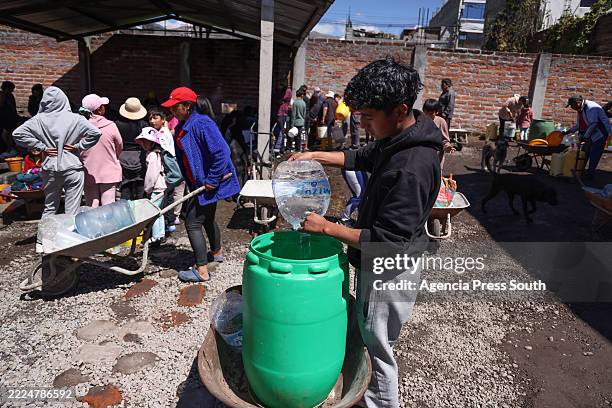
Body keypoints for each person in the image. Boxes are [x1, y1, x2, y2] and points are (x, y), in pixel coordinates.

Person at [289, 58, 441, 407]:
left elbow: (389, 242)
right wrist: (317, 156)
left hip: (391, 267)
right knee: (371, 331)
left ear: (400, 109)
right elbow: (365, 155)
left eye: (369, 118)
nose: (365, 125)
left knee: (378, 346)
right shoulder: (402, 135)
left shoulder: (412, 167)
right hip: (386, 259)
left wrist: (327, 227)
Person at [161, 87, 240, 283]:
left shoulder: (202, 124)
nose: (171, 110)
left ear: (187, 106)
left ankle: (202, 270)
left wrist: (213, 179)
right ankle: (217, 252)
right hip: (198, 182)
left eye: (175, 106)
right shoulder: (183, 125)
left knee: (192, 222)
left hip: (209, 182)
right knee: (207, 217)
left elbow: (221, 152)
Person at [12, 86, 101, 216]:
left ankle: (46, 235)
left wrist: (41, 146)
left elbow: (17, 134)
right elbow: (96, 132)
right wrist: (79, 146)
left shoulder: (38, 119)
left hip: (50, 167)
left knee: (50, 207)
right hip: (72, 166)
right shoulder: (76, 118)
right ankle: (69, 235)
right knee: (72, 210)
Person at [79, 93, 123, 208]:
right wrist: (113, 156)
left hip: (88, 171)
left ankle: (92, 226)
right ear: (99, 109)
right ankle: (109, 226)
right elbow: (119, 146)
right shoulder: (111, 125)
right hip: (109, 170)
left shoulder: (80, 127)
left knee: (91, 205)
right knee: (108, 205)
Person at [148, 106, 184, 231]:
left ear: (163, 119)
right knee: (168, 196)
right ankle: (170, 222)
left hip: (167, 169)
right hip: (169, 168)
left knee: (165, 196)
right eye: (150, 118)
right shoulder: (164, 131)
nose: (152, 121)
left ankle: (165, 225)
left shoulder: (162, 133)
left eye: (155, 118)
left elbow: (165, 151)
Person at [563, 95, 612, 180]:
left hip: (600, 133)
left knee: (594, 153)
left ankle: (590, 175)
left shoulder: (591, 107)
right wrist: (568, 131)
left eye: (572, 105)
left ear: (578, 103)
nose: (571, 107)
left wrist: (585, 137)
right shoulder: (580, 109)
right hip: (591, 132)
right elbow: (578, 125)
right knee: (585, 151)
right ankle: (580, 171)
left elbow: (593, 124)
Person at [136, 127, 167, 243]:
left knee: (154, 212)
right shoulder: (155, 154)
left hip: (157, 187)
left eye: (145, 141)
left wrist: (147, 189)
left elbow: (151, 175)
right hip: (160, 186)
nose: (143, 143)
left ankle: (157, 235)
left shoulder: (153, 155)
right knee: (158, 211)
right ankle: (159, 234)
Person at [115, 97, 148, 200]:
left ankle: (126, 212)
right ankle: (141, 214)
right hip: (140, 158)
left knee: (125, 187)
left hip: (123, 158)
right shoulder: (144, 125)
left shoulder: (117, 124)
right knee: (140, 186)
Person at [423, 99, 454, 169]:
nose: (427, 116)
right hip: (422, 156)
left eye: (431, 114)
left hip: (436, 157)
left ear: (436, 112)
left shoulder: (441, 122)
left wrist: (447, 147)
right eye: (426, 113)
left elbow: (445, 140)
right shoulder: (420, 121)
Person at [273, 85, 292, 156]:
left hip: (282, 114)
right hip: (279, 113)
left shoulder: (287, 91)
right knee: (277, 131)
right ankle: (279, 148)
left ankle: (280, 148)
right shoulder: (283, 91)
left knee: (281, 132)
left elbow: (281, 100)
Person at [0, 81, 19, 153]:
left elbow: (13, 108)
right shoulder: (2, 95)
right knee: (4, 134)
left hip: (10, 118)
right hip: (3, 118)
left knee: (10, 134)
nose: (12, 91)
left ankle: (10, 148)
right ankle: (8, 148)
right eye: (11, 89)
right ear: (6, 88)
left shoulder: (10, 96)